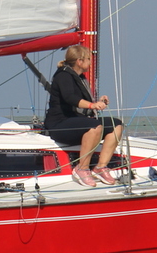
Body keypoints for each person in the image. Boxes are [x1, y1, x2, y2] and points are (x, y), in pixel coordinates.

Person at [44, 45, 124, 187]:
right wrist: (92, 105)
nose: (91, 62)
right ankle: (82, 168)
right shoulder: (63, 75)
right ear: (79, 61)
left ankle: (100, 167)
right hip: (59, 123)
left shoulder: (79, 77)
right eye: (88, 59)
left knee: (116, 124)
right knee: (94, 127)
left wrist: (98, 102)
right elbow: (70, 98)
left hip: (76, 120)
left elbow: (82, 102)